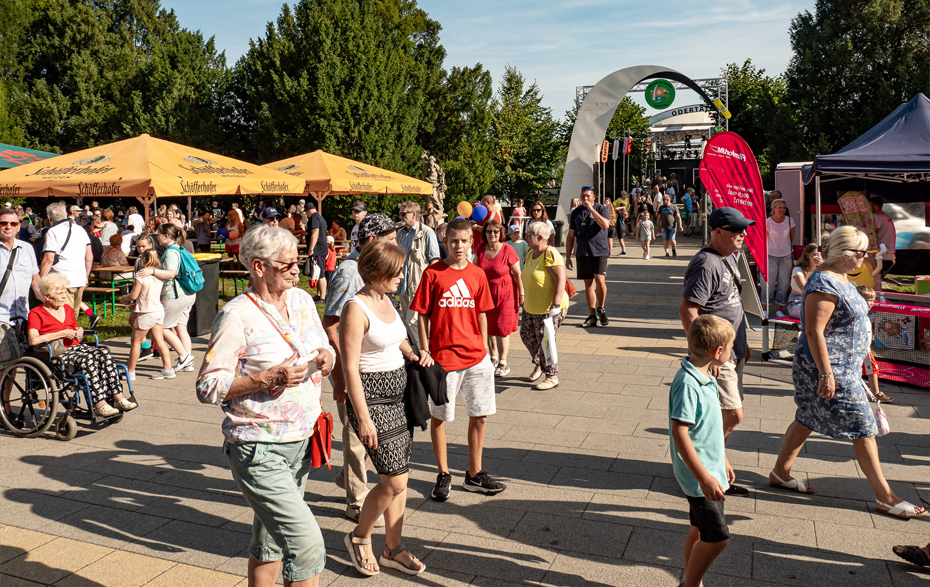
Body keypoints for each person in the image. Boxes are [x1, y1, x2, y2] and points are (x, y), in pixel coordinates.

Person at [197, 225, 334, 587]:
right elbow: (208, 386)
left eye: (298, 261)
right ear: (259, 267)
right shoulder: (236, 315)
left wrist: (325, 357)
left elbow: (325, 348)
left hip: (302, 441)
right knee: (306, 546)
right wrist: (267, 378)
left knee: (270, 540)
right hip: (258, 447)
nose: (297, 270)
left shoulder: (303, 301)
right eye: (287, 264)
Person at [768, 225, 924, 518]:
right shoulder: (823, 282)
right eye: (861, 253)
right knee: (864, 427)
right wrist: (827, 375)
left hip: (843, 366)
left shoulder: (839, 276)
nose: (865, 259)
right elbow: (814, 332)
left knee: (806, 418)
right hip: (830, 368)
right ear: (844, 254)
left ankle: (780, 473)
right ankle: (886, 496)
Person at [340, 240, 425, 577]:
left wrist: (412, 353)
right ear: (376, 273)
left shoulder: (386, 299)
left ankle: (393, 547)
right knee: (394, 481)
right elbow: (349, 368)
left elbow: (395, 335)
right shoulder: (355, 308)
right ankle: (360, 538)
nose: (402, 276)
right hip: (373, 400)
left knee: (400, 477)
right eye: (396, 271)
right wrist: (363, 419)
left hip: (400, 396)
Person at [410, 217, 506, 501]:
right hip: (444, 359)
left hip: (476, 357)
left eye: (464, 241)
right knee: (440, 417)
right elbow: (422, 316)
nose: (459, 246)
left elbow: (482, 314)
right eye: (454, 241)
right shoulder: (433, 273)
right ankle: (443, 473)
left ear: (470, 242)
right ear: (445, 240)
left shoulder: (477, 274)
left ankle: (474, 474)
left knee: (480, 414)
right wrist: (425, 350)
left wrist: (487, 352)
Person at [323, 213, 399, 525]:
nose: (396, 245)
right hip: (355, 372)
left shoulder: (371, 270)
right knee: (356, 434)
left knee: (371, 434)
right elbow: (330, 324)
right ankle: (356, 501)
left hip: (375, 371)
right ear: (370, 241)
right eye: (389, 240)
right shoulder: (349, 272)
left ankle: (348, 475)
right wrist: (340, 376)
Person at [679, 207, 755, 497]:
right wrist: (704, 356)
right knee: (732, 415)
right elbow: (688, 309)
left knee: (724, 414)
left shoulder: (728, 258)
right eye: (736, 231)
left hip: (731, 351)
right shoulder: (706, 263)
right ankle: (705, 465)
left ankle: (715, 465)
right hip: (716, 355)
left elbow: (729, 302)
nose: (743, 235)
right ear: (718, 232)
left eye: (743, 230)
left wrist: (742, 341)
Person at [669, 315, 735, 587]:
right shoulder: (688, 383)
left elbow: (709, 427)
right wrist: (703, 477)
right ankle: (690, 585)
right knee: (718, 537)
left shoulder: (704, 373)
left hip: (711, 468)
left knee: (698, 528)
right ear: (717, 352)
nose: (732, 352)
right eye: (730, 347)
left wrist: (724, 459)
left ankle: (692, 581)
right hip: (700, 478)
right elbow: (679, 431)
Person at [29, 274, 136, 417]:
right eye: (59, 293)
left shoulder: (67, 309)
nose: (63, 296)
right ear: (47, 296)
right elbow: (33, 340)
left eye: (64, 292)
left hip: (76, 348)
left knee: (103, 351)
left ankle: (118, 398)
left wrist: (79, 331)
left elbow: (74, 328)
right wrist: (61, 333)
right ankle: (100, 404)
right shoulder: (36, 313)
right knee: (87, 359)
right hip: (57, 353)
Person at [135, 224, 196, 377]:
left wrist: (153, 271)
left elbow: (170, 273)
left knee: (162, 328)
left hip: (175, 294)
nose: (157, 237)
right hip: (188, 292)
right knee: (181, 327)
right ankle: (187, 362)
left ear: (167, 236)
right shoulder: (180, 248)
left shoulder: (171, 252)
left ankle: (184, 356)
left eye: (159, 234)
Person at [520, 221, 568, 390]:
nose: (525, 237)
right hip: (531, 306)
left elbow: (560, 280)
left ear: (539, 238)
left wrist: (555, 305)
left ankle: (551, 375)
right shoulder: (530, 253)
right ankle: (540, 364)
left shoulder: (550, 254)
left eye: (528, 235)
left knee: (546, 341)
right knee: (526, 335)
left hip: (549, 307)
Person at [39, 202, 99, 329]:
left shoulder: (52, 232)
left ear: (49, 218)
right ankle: (73, 344)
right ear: (66, 214)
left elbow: (48, 259)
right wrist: (86, 276)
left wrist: (40, 281)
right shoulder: (80, 229)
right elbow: (89, 256)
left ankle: (66, 345)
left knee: (63, 318)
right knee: (73, 317)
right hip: (80, 279)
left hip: (62, 280)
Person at [475, 219, 522, 376]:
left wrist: (521, 293)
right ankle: (493, 357)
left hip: (505, 293)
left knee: (502, 328)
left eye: (496, 231)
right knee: (488, 327)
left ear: (501, 232)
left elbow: (517, 274)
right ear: (485, 233)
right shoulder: (480, 248)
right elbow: (474, 271)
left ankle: (504, 362)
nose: (492, 234)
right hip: (485, 293)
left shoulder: (507, 249)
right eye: (489, 231)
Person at [121, 249, 172, 380]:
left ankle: (130, 371)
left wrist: (124, 298)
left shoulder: (141, 276)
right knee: (160, 341)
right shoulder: (159, 275)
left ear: (143, 260)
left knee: (135, 342)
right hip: (158, 310)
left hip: (145, 313)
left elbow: (133, 295)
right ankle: (168, 369)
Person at [396, 201, 440, 349]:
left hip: (419, 285)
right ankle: (417, 353)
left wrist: (430, 284)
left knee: (412, 321)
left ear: (414, 214)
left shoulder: (427, 232)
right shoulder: (400, 233)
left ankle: (425, 351)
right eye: (400, 213)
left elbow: (434, 260)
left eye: (403, 214)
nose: (400, 217)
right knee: (406, 322)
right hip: (403, 285)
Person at [565, 187, 611, 328]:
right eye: (583, 196)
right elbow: (571, 235)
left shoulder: (602, 208)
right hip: (583, 252)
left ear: (593, 197)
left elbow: (605, 225)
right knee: (588, 284)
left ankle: (601, 308)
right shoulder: (576, 213)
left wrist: (591, 210)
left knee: (600, 280)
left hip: (600, 251)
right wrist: (567, 257)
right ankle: (592, 315)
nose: (585, 199)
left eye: (588, 196)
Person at [855, 285, 893, 402]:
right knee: (873, 369)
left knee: (868, 370)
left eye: (873, 300)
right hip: (861, 350)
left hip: (865, 349)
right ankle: (876, 393)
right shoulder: (857, 315)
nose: (871, 303)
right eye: (868, 300)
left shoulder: (865, 315)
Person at [763, 197, 796, 316]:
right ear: (774, 209)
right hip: (770, 254)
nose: (782, 210)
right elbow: (765, 239)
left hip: (786, 255)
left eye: (784, 208)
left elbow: (791, 238)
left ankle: (779, 310)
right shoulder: (767, 222)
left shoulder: (789, 221)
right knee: (768, 284)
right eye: (779, 207)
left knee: (783, 284)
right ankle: (765, 309)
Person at [787, 244, 822, 319]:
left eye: (820, 255)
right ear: (807, 255)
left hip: (813, 302)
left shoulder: (820, 271)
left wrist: (823, 267)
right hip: (797, 303)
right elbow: (805, 288)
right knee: (817, 312)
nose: (818, 257)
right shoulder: (798, 270)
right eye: (815, 255)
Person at [869, 196, 896, 293]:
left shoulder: (878, 217)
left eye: (870, 205)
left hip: (883, 254)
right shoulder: (885, 216)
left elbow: (873, 232)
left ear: (875, 206)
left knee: (875, 281)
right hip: (889, 254)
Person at [305, 202, 328, 301]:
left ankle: (322, 297)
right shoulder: (319, 217)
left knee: (321, 273)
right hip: (321, 248)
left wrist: (311, 249)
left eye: (306, 212)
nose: (306, 214)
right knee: (317, 273)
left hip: (318, 249)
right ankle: (319, 295)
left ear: (308, 210)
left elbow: (315, 233)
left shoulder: (314, 217)